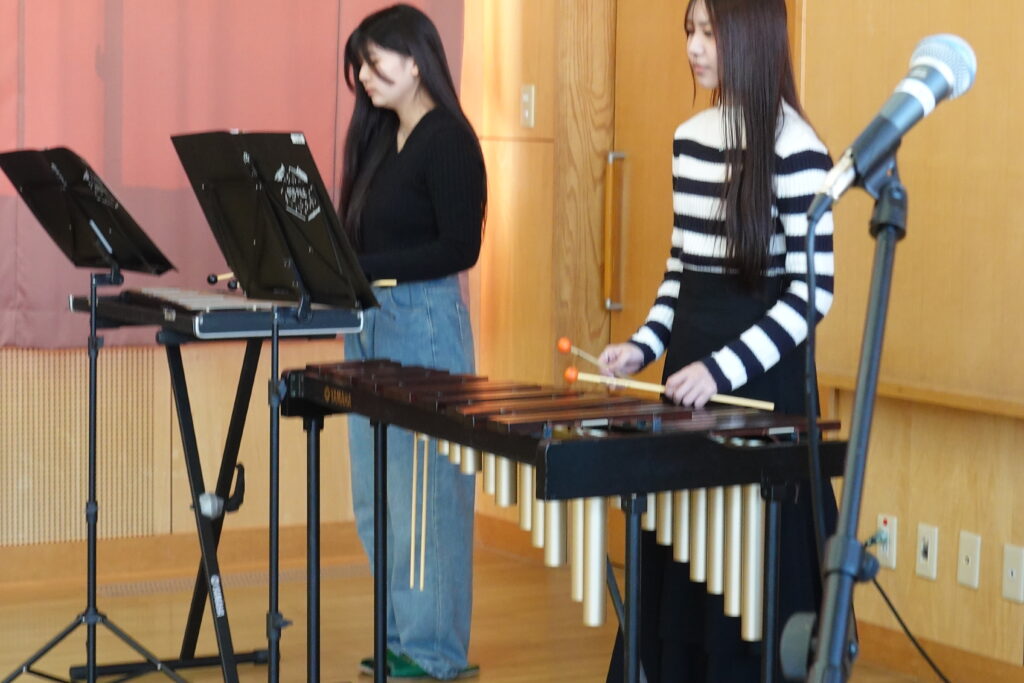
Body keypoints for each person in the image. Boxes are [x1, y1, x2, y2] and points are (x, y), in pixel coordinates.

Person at [599, 0, 836, 680]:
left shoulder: (799, 149)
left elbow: (813, 293)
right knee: (685, 553)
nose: (695, 48)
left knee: (751, 571)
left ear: (751, 38)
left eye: (710, 33)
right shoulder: (690, 138)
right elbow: (682, 269)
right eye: (690, 32)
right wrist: (643, 346)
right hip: (689, 374)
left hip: (760, 381)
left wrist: (721, 370)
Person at [338, 4, 485, 680]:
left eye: (375, 62)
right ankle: (399, 635)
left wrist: (361, 269)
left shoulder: (448, 139)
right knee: (377, 499)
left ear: (417, 59)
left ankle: (433, 653)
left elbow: (459, 247)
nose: (365, 78)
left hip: (424, 325)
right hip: (369, 324)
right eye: (360, 67)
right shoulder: (377, 139)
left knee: (427, 500)